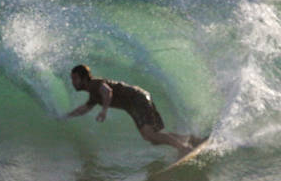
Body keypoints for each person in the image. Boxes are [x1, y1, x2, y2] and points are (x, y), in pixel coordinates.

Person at [64, 64, 197, 155]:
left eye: (75, 78)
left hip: (137, 99)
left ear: (84, 78)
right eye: (72, 79)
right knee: (152, 139)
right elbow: (85, 108)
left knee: (150, 135)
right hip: (135, 102)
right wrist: (66, 116)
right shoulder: (93, 93)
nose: (73, 82)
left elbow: (107, 91)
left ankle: (184, 148)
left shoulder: (95, 84)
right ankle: (190, 139)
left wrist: (104, 110)